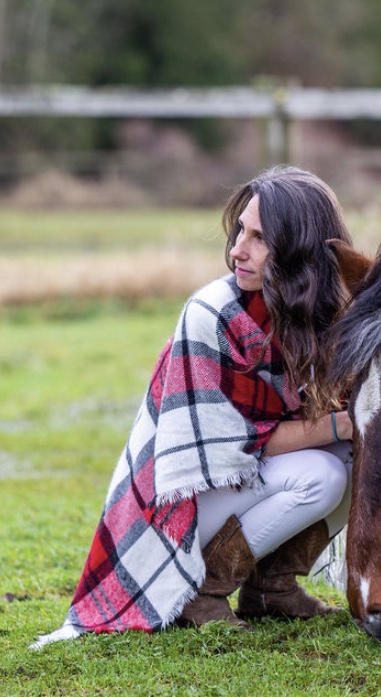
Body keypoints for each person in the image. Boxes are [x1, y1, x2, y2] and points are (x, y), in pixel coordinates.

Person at [32, 165, 354, 648]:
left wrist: (356, 425)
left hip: (234, 488)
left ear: (300, 252)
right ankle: (201, 590)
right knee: (324, 474)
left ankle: (271, 589)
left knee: (366, 454)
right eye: (240, 230)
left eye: (259, 238)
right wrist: (343, 424)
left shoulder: (317, 318)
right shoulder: (212, 316)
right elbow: (244, 447)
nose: (237, 249)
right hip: (174, 508)